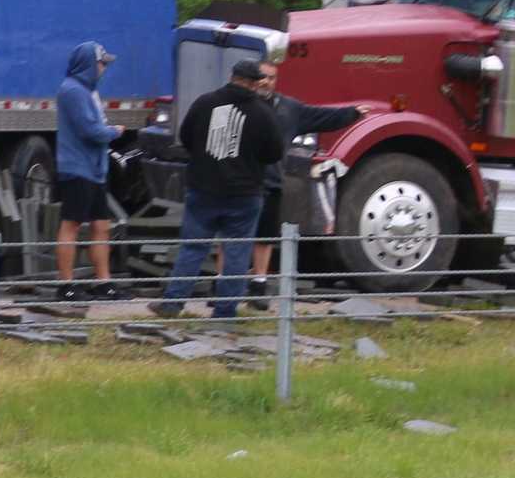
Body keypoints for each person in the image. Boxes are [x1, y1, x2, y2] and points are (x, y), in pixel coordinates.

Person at [155, 59, 284, 319]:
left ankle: (173, 303)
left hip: (204, 189)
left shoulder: (205, 103)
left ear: (232, 76)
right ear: (254, 82)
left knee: (193, 247)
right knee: (237, 252)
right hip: (245, 195)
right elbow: (274, 154)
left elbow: (187, 137)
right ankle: (225, 311)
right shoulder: (263, 113)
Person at [249, 63, 378, 284]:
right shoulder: (240, 105)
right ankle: (227, 283)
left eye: (271, 78)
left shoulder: (288, 108)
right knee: (234, 236)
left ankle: (258, 283)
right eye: (262, 77)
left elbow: (320, 116)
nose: (266, 82)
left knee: (265, 236)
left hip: (271, 183)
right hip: (242, 182)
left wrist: (351, 113)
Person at [52, 41, 122, 302]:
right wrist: (115, 132)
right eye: (102, 63)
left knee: (101, 226)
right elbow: (90, 130)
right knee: (71, 223)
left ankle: (104, 281)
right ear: (89, 64)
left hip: (95, 169)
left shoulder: (89, 91)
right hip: (77, 167)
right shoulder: (72, 91)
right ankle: (66, 284)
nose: (104, 68)